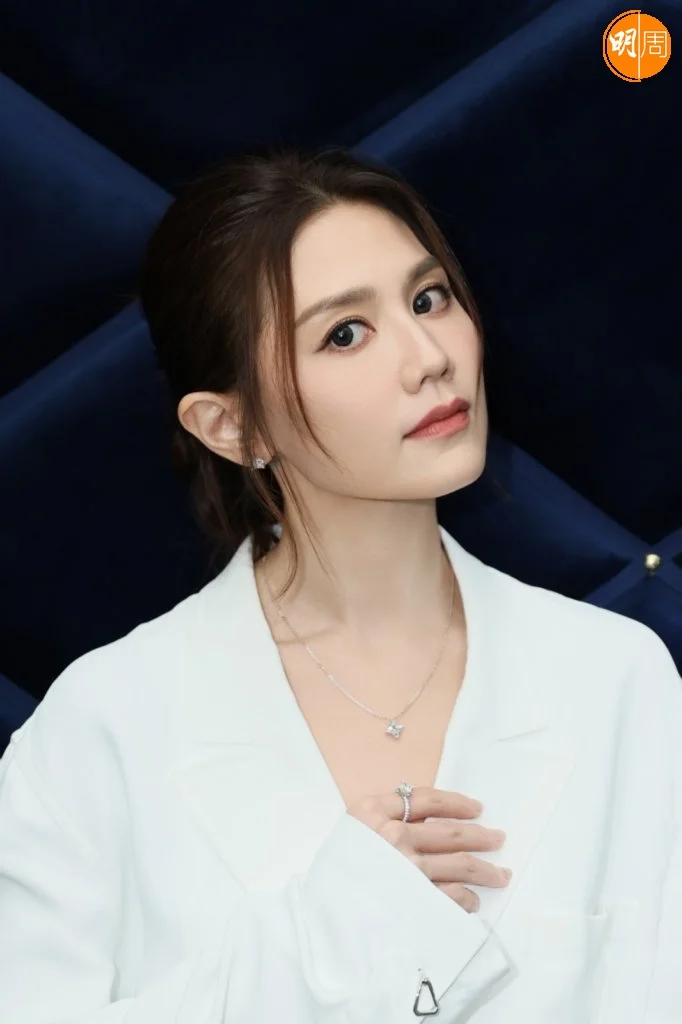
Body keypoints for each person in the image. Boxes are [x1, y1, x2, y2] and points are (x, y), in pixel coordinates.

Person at [0, 145, 680, 1023]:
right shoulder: (104, 729)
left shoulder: (616, 677)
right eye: (345, 334)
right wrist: (333, 935)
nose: (429, 356)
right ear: (231, 426)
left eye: (428, 299)